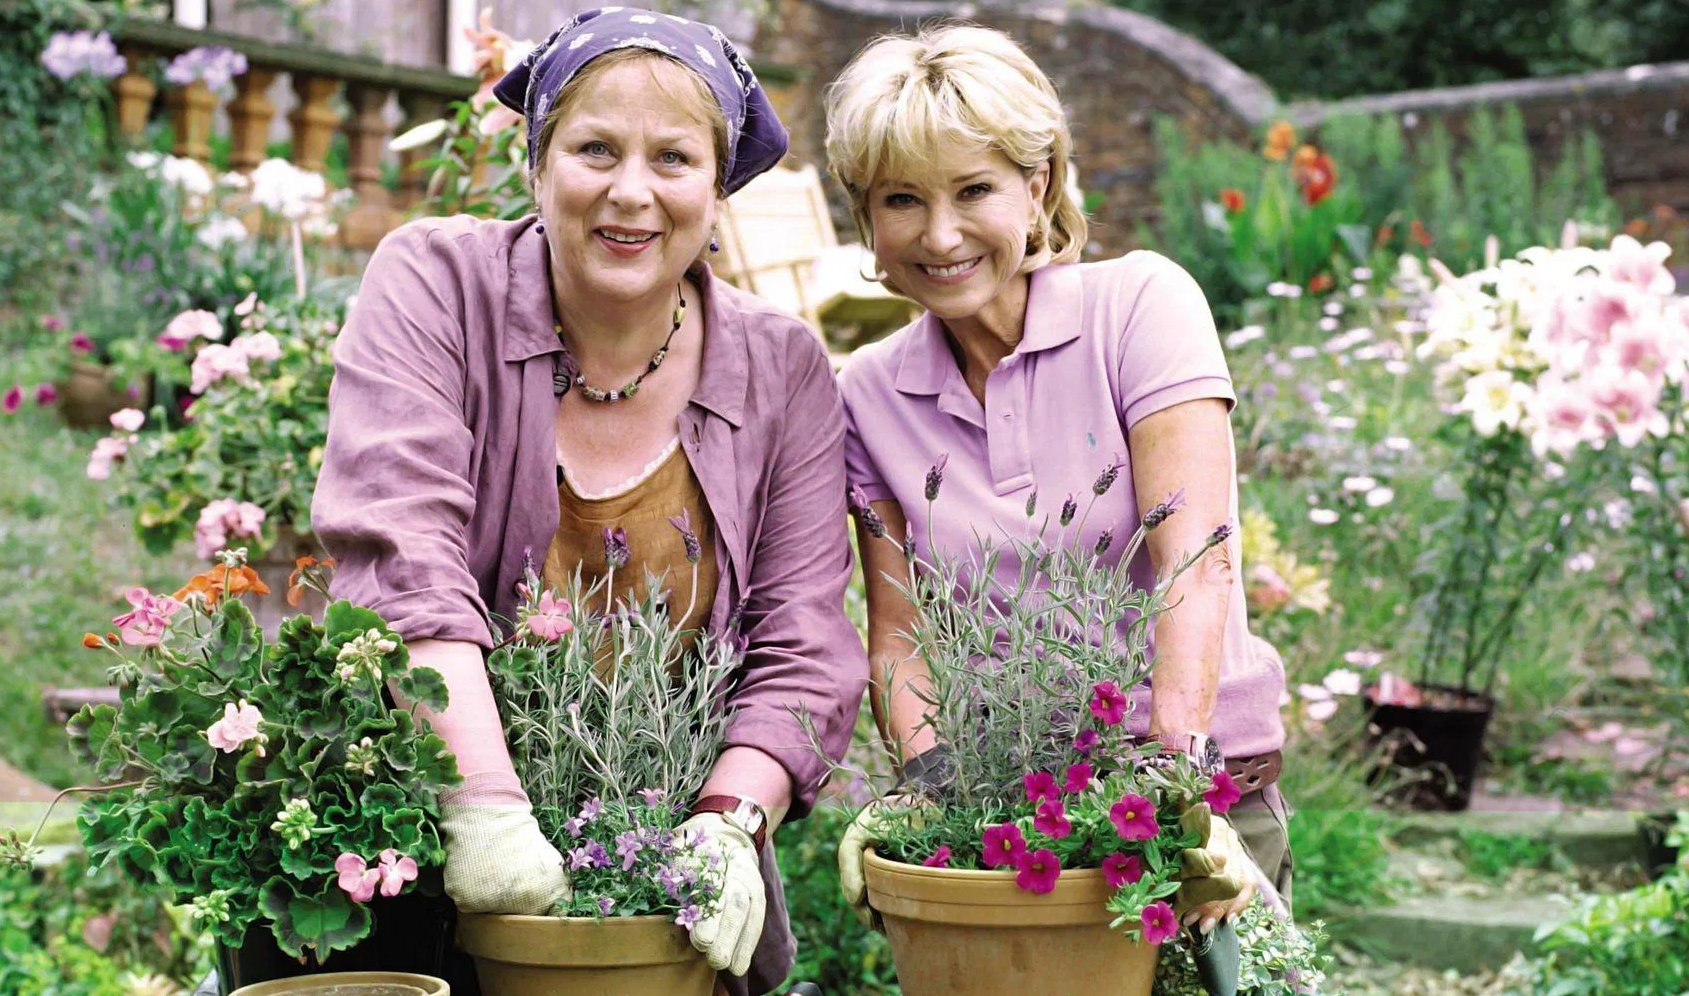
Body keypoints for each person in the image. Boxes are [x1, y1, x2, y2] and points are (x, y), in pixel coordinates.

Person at [313, 9, 867, 994]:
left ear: (718, 186)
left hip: (657, 907)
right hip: (407, 862)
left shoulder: (783, 371)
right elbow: (400, 547)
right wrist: (481, 805)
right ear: (538, 163)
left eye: (673, 158)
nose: (631, 192)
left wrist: (727, 823)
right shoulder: (438, 286)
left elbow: (806, 646)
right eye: (596, 148)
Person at [824, 24, 1292, 941]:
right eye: (902, 200)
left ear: (1036, 187)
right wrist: (930, 792)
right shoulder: (866, 393)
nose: (941, 233)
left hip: (1198, 791)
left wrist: (1176, 794)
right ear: (866, 218)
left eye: (974, 190)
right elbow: (898, 637)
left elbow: (1194, 564)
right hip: (1005, 811)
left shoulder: (1140, 307)